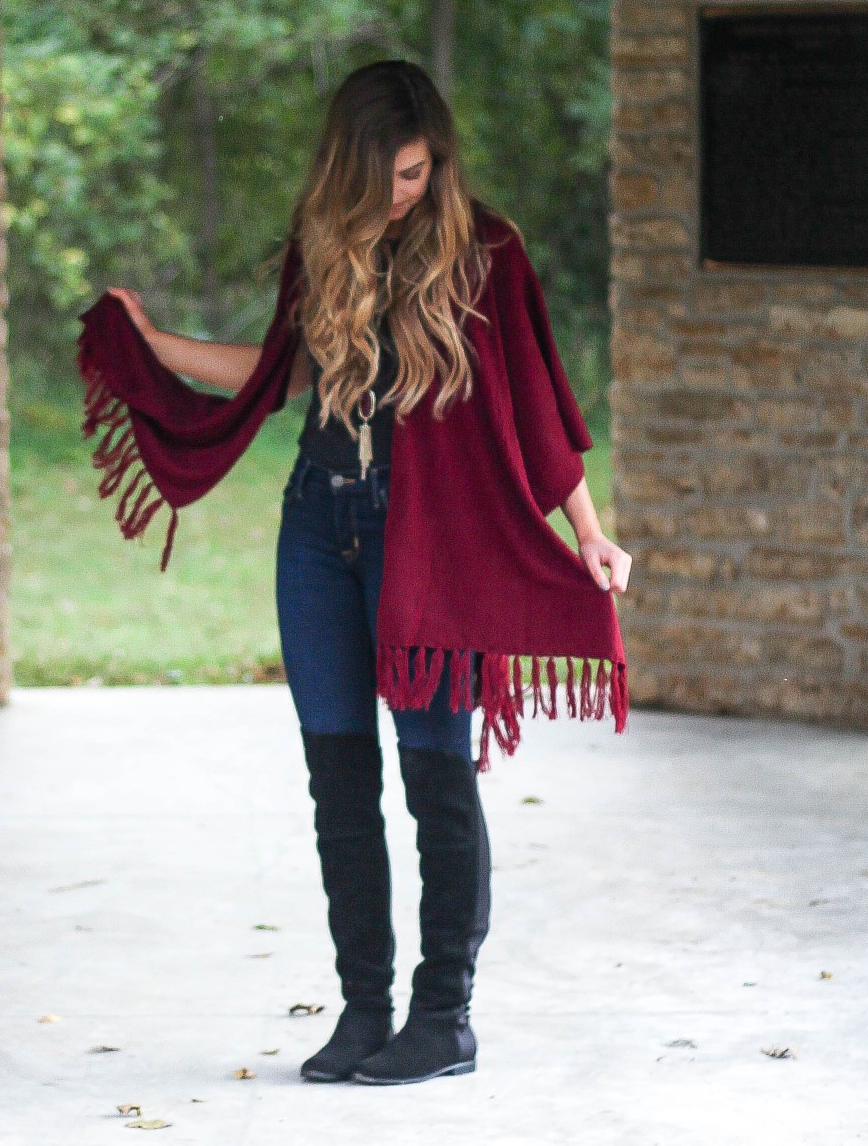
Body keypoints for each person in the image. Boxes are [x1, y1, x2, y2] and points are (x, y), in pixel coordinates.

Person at [79, 60, 630, 1088]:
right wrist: (155, 345)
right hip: (317, 530)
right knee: (340, 783)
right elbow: (286, 374)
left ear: (440, 161)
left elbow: (538, 406)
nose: (398, 196)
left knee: (436, 776)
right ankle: (364, 1012)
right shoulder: (323, 245)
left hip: (431, 541)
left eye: (416, 174)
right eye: (381, 176)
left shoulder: (488, 253)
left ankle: (444, 1016)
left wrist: (587, 532)